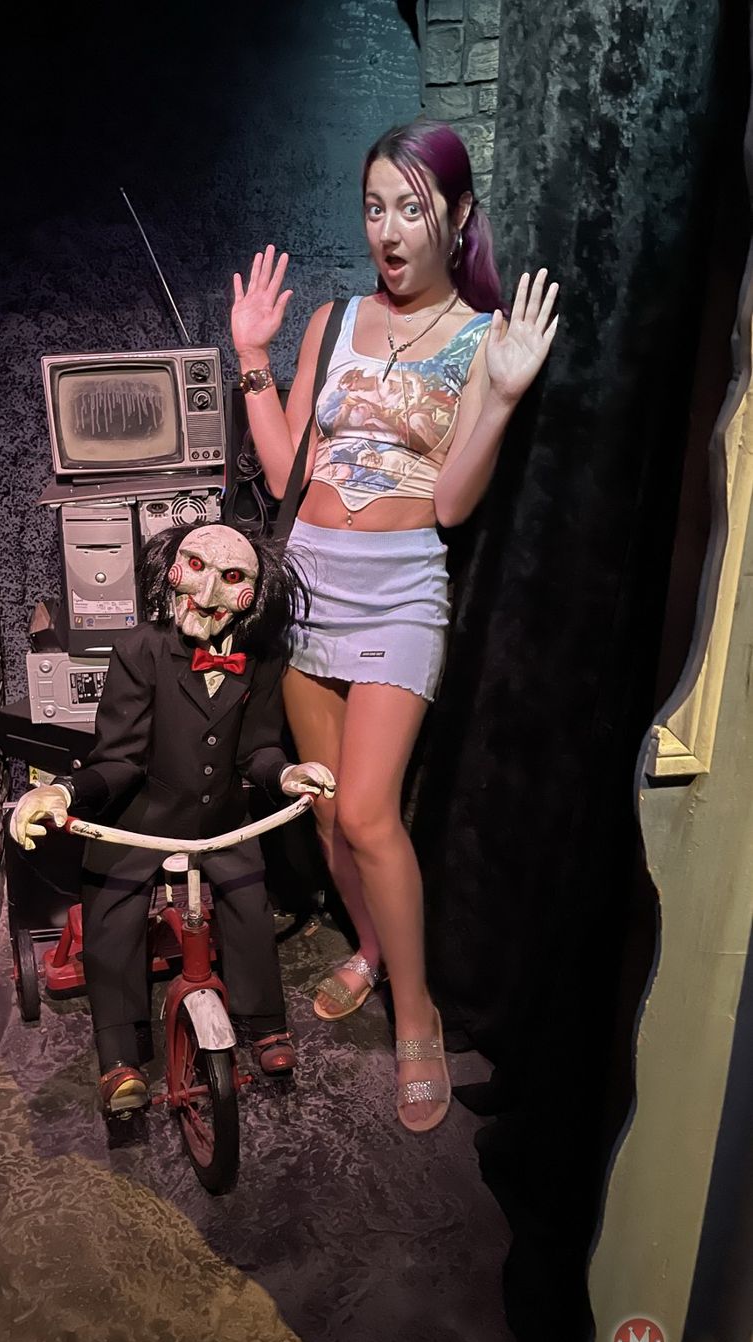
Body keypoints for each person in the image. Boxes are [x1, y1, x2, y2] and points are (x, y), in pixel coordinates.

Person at [230, 119, 559, 1133]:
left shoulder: (478, 336)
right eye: (374, 207)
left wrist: (501, 395)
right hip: (310, 589)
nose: (387, 229)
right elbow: (283, 474)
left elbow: (452, 502)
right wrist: (251, 356)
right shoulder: (333, 322)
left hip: (398, 595)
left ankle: (415, 1013)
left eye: (410, 208)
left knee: (372, 811)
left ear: (455, 216)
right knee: (330, 812)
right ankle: (370, 949)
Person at [9, 524, 335, 1119]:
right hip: (142, 816)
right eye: (196, 567)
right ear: (171, 569)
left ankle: (263, 1022)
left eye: (230, 578)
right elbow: (118, 757)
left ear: (254, 594)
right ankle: (120, 1051)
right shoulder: (140, 650)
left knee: (247, 895)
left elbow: (257, 749)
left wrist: (286, 773)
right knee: (111, 902)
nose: (206, 593)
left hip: (221, 820)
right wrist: (63, 791)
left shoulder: (263, 658)